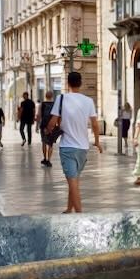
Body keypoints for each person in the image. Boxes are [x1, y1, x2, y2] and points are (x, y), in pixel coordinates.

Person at [46, 71, 102, 213]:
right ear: (81, 83)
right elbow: (95, 124)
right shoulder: (88, 101)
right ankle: (69, 208)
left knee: (73, 182)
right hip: (83, 148)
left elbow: (52, 122)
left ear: (67, 83)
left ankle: (79, 215)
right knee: (74, 180)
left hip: (67, 148)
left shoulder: (61, 98)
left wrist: (48, 129)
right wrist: (97, 141)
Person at [38, 91, 57, 167]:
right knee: (50, 144)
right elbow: (56, 116)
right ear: (52, 96)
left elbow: (39, 115)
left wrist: (37, 126)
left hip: (43, 126)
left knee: (44, 142)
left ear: (45, 96)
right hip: (52, 126)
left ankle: (44, 158)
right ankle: (49, 160)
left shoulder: (42, 104)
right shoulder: (55, 104)